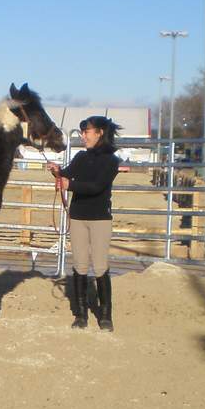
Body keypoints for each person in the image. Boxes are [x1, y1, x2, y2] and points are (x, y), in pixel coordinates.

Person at [48, 116, 121, 331]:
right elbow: (67, 174)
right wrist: (57, 172)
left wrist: (70, 184)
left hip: (100, 218)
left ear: (99, 132)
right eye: (82, 132)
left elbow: (97, 186)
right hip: (78, 217)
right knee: (79, 265)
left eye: (86, 132)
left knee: (99, 266)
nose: (83, 136)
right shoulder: (80, 157)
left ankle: (105, 315)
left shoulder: (111, 161)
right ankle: (81, 315)